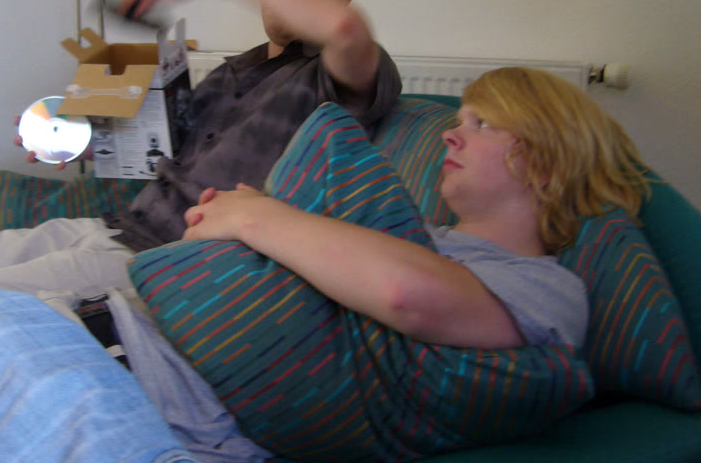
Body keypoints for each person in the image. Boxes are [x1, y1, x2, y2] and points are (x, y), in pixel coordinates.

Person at [0, 0, 399, 463]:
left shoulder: (343, 78)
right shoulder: (233, 72)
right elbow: (153, 150)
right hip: (110, 229)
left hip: (159, 264)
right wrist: (73, 139)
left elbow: (344, 30)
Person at [182, 66, 650, 350]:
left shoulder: (550, 291)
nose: (450, 134)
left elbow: (407, 295)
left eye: (483, 124)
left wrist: (252, 217)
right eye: (459, 121)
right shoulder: (415, 231)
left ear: (547, 162)